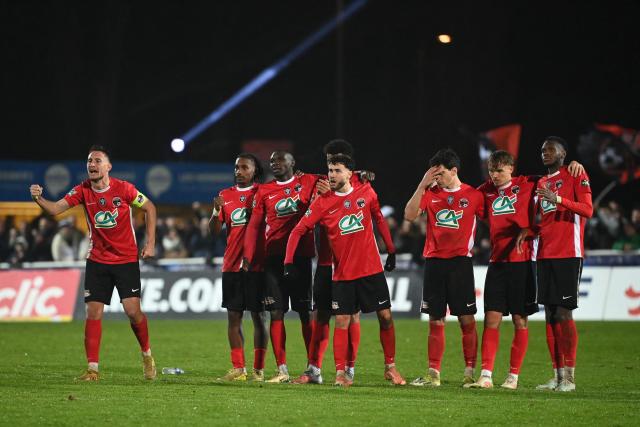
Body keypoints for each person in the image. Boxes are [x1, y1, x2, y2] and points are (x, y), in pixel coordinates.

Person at [29, 145, 157, 381]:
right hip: (97, 259)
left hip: (126, 259)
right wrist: (38, 198)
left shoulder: (124, 189)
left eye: (97, 160)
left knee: (133, 312)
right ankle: (92, 369)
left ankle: (147, 354)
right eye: (89, 161)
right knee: (93, 312)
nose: (92, 165)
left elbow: (149, 207)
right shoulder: (82, 190)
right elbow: (56, 208)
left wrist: (150, 244)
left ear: (108, 166)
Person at [285, 154, 405, 387]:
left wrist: (391, 250)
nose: (332, 175)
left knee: (386, 317)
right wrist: (288, 261)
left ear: (350, 173)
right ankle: (341, 373)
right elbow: (297, 231)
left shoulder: (366, 192)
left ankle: (390, 367)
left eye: (337, 170)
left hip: (371, 270)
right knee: (341, 321)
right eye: (330, 170)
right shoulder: (322, 202)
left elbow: (379, 219)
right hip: (342, 275)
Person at [470, 150, 586, 390]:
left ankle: (513, 377)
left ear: (511, 168)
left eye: (500, 170)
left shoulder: (529, 183)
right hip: (497, 263)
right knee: (491, 319)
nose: (495, 175)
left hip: (523, 263)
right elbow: (466, 201)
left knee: (520, 320)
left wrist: (575, 163)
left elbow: (554, 178)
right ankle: (486, 375)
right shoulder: (484, 191)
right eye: (492, 170)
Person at [517, 136, 593, 392]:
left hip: (568, 253)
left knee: (563, 313)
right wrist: (531, 230)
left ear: (563, 153)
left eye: (551, 149)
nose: (545, 153)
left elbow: (587, 209)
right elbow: (546, 221)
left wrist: (558, 199)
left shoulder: (575, 175)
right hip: (545, 254)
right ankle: (557, 376)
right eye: (542, 150)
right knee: (550, 315)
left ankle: (569, 379)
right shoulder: (541, 183)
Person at [404, 148, 484, 387]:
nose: (436, 178)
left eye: (439, 174)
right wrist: (422, 185)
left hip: (461, 264)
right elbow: (409, 216)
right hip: (434, 264)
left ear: (454, 170)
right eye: (433, 174)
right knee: (435, 320)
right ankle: (433, 374)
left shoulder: (474, 195)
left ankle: (469, 373)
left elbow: (493, 219)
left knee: (466, 320)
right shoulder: (431, 193)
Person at [293, 139, 367, 385]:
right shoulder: (320, 183)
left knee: (351, 317)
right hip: (325, 261)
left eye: (336, 162)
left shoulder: (360, 185)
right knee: (320, 315)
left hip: (351, 264)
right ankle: (314, 369)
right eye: (328, 162)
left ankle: (349, 369)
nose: (331, 168)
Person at [242, 151, 320, 383]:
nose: (274, 164)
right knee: (276, 312)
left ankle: (312, 368)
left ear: (292, 163)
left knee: (306, 313)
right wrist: (248, 255)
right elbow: (255, 226)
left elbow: (339, 176)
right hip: (273, 258)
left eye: (280, 160)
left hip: (300, 257)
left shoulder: (308, 181)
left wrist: (360, 175)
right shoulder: (264, 190)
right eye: (272, 161)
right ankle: (282, 370)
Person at [209, 153, 269, 382]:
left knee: (259, 317)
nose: (239, 171)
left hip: (256, 266)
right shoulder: (225, 196)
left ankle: (259, 370)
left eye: (244, 167)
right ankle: (238, 368)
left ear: (254, 171)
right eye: (236, 167)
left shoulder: (263, 193)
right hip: (231, 265)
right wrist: (216, 211)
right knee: (233, 317)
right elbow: (213, 232)